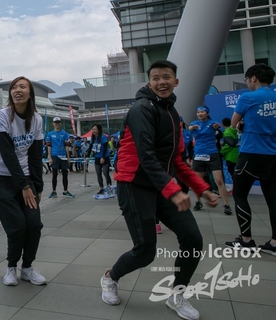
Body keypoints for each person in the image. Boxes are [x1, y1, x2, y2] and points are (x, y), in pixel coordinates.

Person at [100, 60, 218, 320]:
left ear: (176, 81)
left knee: (193, 239)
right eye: (156, 78)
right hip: (134, 184)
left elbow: (177, 160)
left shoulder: (173, 114)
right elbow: (146, 155)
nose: (161, 82)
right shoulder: (141, 109)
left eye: (167, 77)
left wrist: (203, 189)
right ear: (149, 83)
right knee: (145, 251)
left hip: (161, 184)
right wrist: (174, 191)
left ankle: (177, 294)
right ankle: (111, 277)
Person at [0, 76, 46, 287]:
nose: (17, 90)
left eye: (22, 87)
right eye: (14, 87)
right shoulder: (1, 116)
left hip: (25, 178)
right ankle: (11, 267)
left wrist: (36, 187)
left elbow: (36, 155)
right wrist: (24, 186)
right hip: (1, 177)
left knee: (34, 224)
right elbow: (7, 154)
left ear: (30, 93)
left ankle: (27, 268)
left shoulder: (37, 119)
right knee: (17, 226)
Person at [226, 64, 276, 255]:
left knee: (240, 195)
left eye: (247, 80)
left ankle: (246, 240)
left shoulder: (248, 97)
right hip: (273, 154)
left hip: (251, 152)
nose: (247, 83)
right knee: (273, 199)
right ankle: (274, 243)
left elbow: (233, 123)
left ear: (253, 78)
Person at [188, 106, 232, 215]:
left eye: (202, 112)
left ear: (207, 113)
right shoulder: (194, 123)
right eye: (198, 112)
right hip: (198, 154)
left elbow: (217, 126)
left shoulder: (212, 122)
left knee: (219, 180)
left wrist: (216, 127)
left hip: (212, 154)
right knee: (198, 181)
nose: (200, 114)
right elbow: (189, 128)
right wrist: (191, 128)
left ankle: (226, 205)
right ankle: (198, 202)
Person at [46, 117, 74, 198]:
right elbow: (49, 146)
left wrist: (68, 157)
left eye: (58, 122)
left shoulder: (64, 133)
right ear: (53, 123)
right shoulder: (50, 134)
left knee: (65, 174)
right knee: (54, 174)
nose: (57, 124)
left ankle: (65, 191)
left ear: (60, 123)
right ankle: (54, 191)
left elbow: (66, 146)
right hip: (54, 155)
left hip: (63, 156)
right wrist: (49, 157)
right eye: (55, 122)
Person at [90, 123, 112, 195]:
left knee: (106, 173)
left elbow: (105, 147)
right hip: (97, 157)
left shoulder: (103, 137)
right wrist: (87, 156)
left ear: (99, 130)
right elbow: (90, 146)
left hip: (104, 157)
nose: (93, 131)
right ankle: (101, 188)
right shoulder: (93, 137)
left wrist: (103, 157)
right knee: (98, 174)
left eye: (95, 129)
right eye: (93, 129)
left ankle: (109, 187)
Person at [219, 117, 239, 190]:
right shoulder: (234, 131)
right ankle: (237, 187)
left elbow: (229, 144)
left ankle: (237, 188)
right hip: (235, 154)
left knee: (232, 172)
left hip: (230, 156)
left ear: (222, 124)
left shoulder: (226, 132)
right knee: (235, 172)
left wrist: (221, 152)